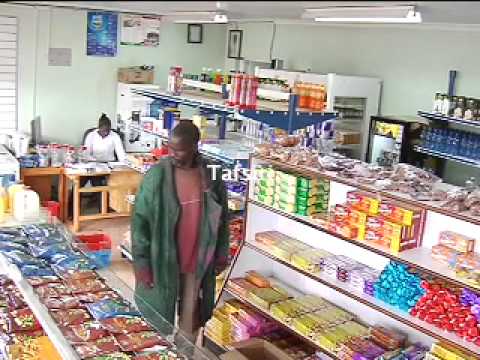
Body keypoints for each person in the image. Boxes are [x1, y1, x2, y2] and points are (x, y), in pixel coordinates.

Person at [131, 120, 229, 341]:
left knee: (191, 320)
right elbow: (140, 222)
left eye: (180, 149)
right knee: (157, 317)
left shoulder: (211, 175)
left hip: (197, 262)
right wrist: (142, 263)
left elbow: (222, 218)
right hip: (162, 262)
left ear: (195, 146)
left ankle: (184, 355)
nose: (173, 153)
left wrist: (222, 253)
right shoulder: (157, 176)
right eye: (171, 148)